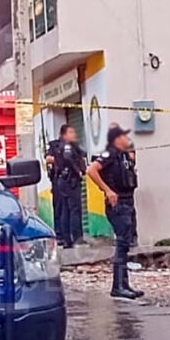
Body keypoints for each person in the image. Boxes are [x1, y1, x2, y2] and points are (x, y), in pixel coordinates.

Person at [87, 126, 143, 300]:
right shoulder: (109, 154)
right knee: (121, 244)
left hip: (128, 201)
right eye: (124, 136)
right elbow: (91, 170)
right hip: (117, 204)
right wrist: (108, 191)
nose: (127, 139)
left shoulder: (124, 155)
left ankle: (124, 284)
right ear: (117, 139)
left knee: (126, 244)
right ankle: (118, 286)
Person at [46, 124, 87, 248]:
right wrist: (78, 171)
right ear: (64, 134)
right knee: (71, 209)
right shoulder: (60, 146)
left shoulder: (74, 147)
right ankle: (74, 238)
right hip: (68, 180)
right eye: (71, 132)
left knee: (66, 210)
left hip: (63, 181)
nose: (74, 134)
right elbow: (55, 159)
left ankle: (67, 240)